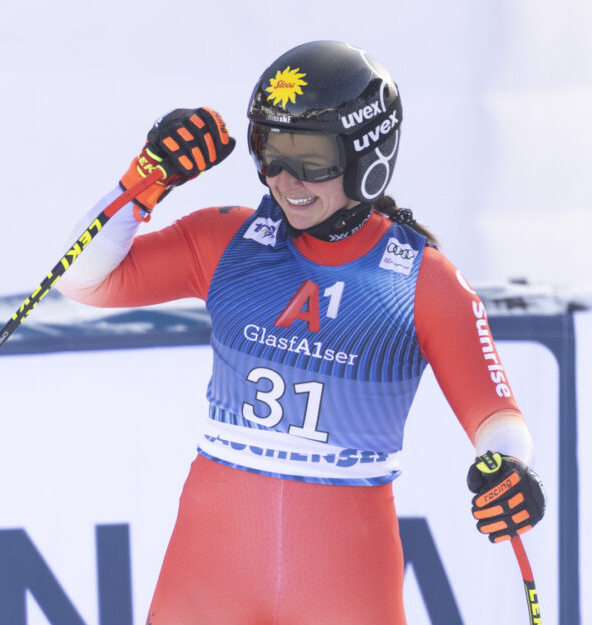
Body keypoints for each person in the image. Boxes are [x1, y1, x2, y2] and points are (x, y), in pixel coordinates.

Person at [56, 40, 545, 625]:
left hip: (343, 576)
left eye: (313, 160)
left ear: (368, 158)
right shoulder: (226, 241)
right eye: (271, 152)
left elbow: (496, 414)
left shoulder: (419, 277)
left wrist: (508, 469)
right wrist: (146, 180)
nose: (287, 180)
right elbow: (82, 281)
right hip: (209, 571)